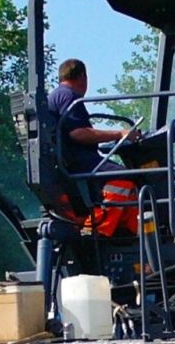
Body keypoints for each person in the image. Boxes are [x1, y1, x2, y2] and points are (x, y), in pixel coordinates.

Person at [50, 58, 145, 234]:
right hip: (81, 161)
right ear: (82, 77)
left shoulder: (56, 95)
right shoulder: (69, 96)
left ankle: (135, 234)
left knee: (131, 186)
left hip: (72, 161)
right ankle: (97, 229)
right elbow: (78, 133)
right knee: (125, 178)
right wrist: (120, 134)